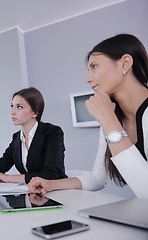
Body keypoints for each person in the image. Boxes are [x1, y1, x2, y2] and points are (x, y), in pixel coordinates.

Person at [28, 34, 148, 199]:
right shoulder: (113, 117)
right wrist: (51, 184)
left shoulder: (110, 118)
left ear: (125, 63)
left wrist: (108, 119)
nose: (88, 79)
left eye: (94, 66)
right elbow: (97, 178)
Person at [0, 87, 66, 187]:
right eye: (12, 106)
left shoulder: (52, 133)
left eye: (19, 107)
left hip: (57, 192)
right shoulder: (17, 138)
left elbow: (52, 174)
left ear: (35, 112)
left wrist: (8, 178)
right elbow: (0, 167)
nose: (12, 112)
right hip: (32, 193)